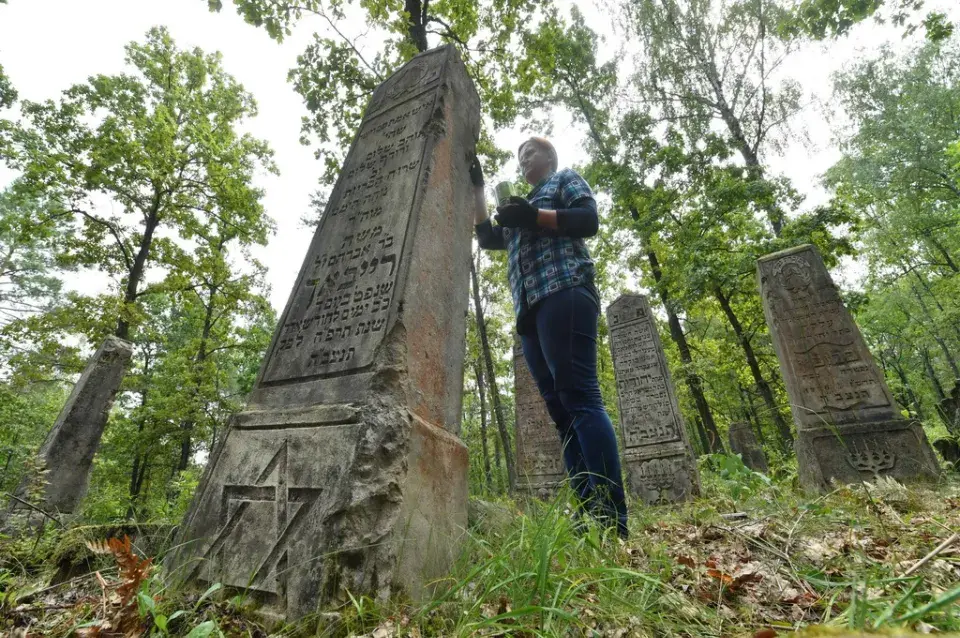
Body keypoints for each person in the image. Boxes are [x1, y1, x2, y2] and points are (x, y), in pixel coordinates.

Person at [470, 137, 628, 539]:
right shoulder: (516, 210)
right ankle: (589, 518)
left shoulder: (563, 182)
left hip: (565, 291)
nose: (523, 158)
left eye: (530, 152)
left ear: (550, 158)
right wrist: (478, 189)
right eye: (518, 154)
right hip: (529, 313)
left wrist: (534, 216)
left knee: (581, 398)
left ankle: (613, 522)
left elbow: (587, 220)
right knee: (561, 415)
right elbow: (489, 239)